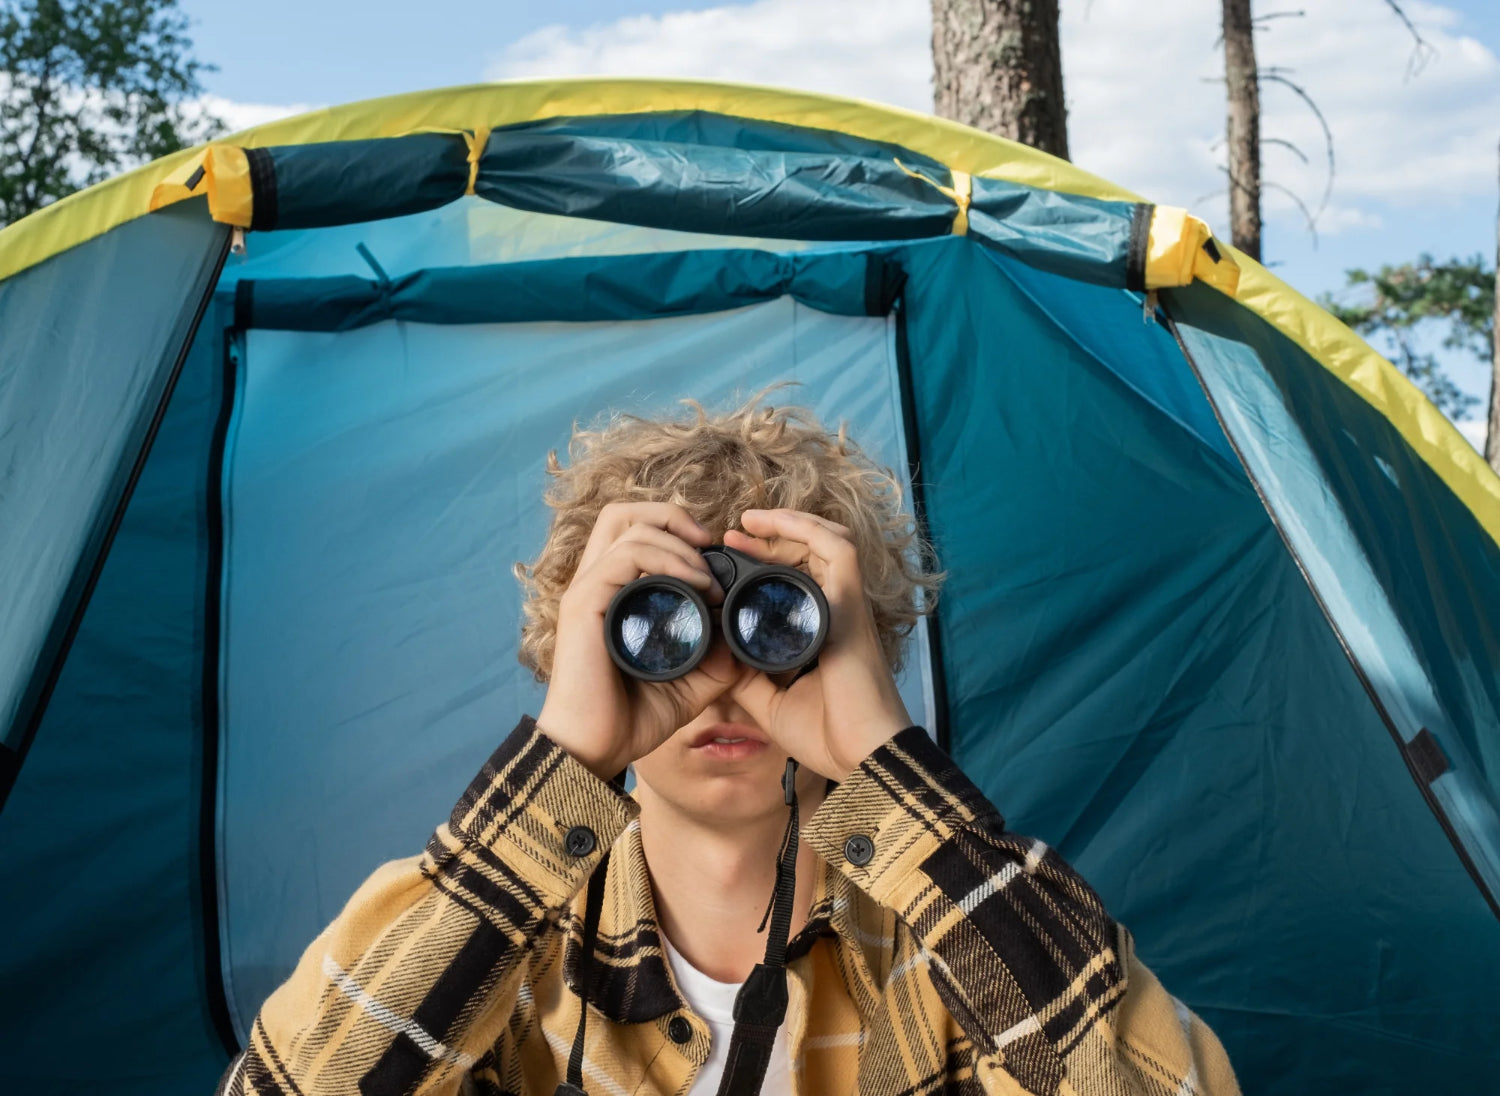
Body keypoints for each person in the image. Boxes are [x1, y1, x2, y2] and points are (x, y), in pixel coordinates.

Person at [217, 394, 1240, 1096]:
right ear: (579, 646)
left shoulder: (956, 944)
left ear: (857, 651)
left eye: (775, 626)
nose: (725, 680)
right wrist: (567, 755)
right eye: (662, 626)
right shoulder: (497, 943)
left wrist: (888, 761)